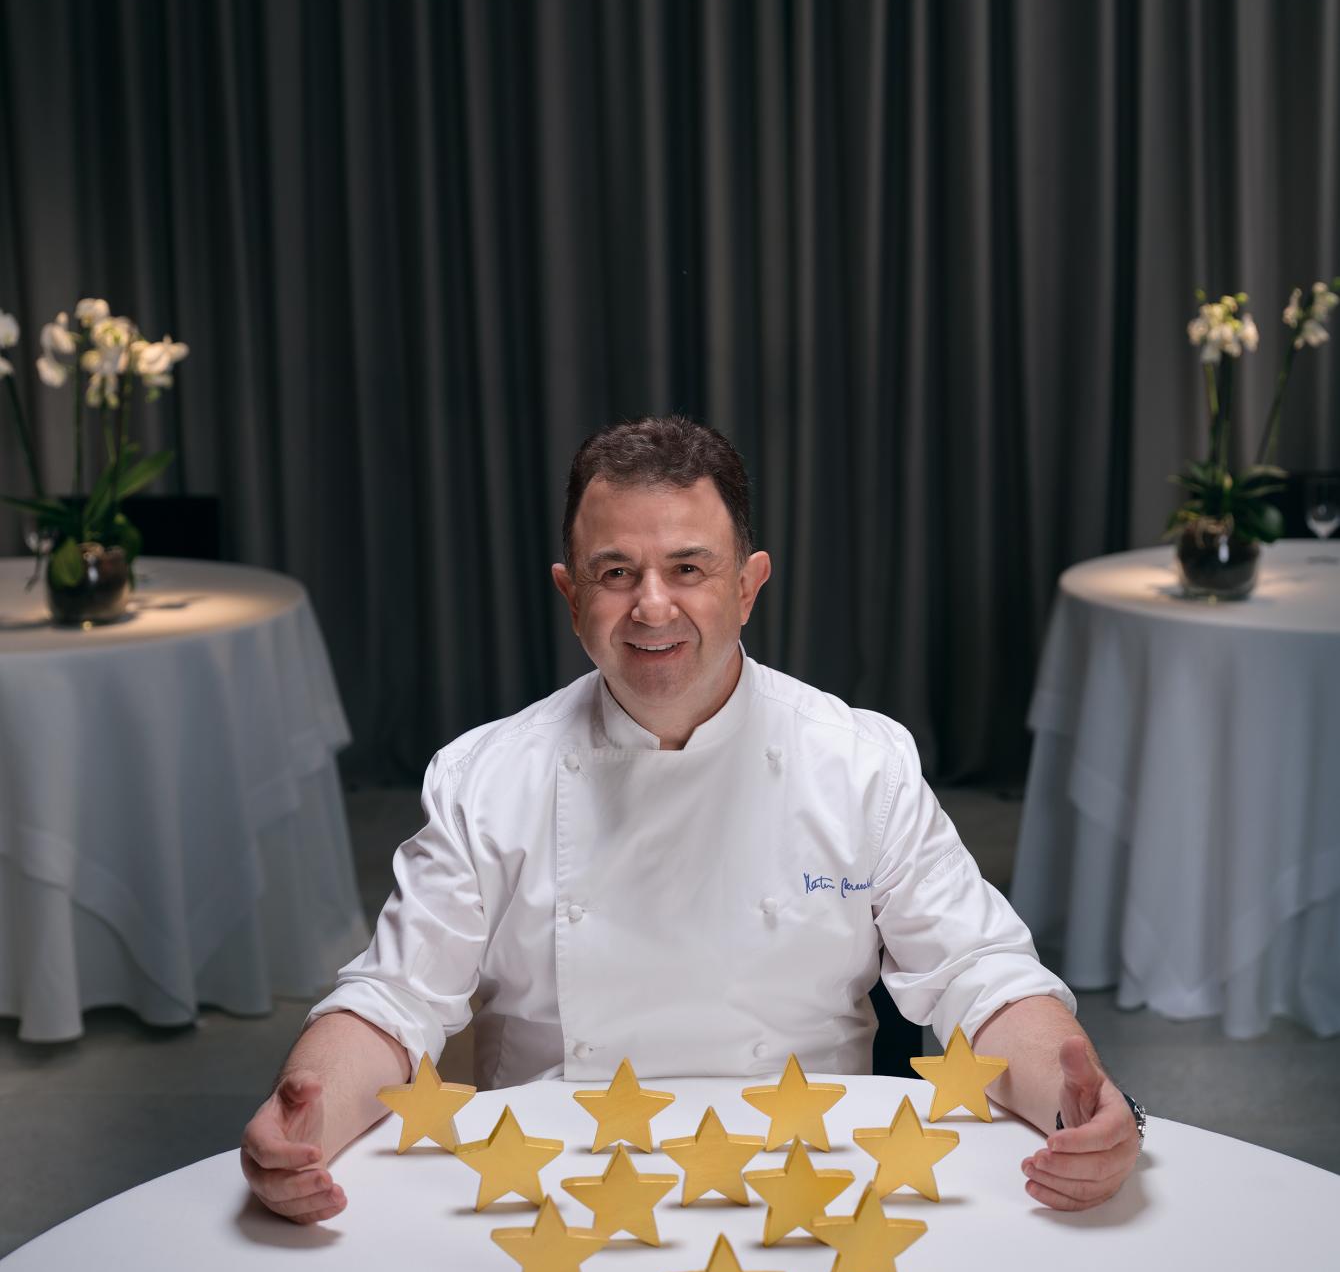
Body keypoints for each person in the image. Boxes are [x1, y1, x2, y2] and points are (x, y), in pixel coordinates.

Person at [241, 416, 1142, 1225]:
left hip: (813, 1179)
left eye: (688, 569)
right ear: (569, 594)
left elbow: (977, 972)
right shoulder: (486, 776)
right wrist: (305, 1113)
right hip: (554, 1188)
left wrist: (1079, 1102)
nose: (653, 606)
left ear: (749, 586)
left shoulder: (860, 763)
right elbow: (394, 997)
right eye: (615, 573)